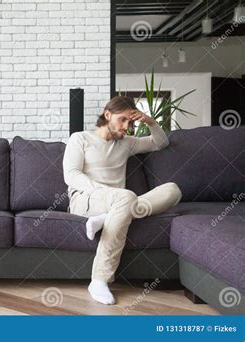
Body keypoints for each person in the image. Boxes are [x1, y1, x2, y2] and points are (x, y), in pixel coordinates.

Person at [63, 96, 182, 305]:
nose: (127, 127)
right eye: (123, 120)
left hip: (119, 203)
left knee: (173, 190)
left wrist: (150, 122)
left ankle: (107, 218)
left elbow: (160, 143)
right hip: (86, 199)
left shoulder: (127, 143)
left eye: (131, 122)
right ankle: (99, 280)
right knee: (126, 197)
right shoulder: (80, 138)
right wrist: (104, 191)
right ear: (107, 115)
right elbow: (71, 175)